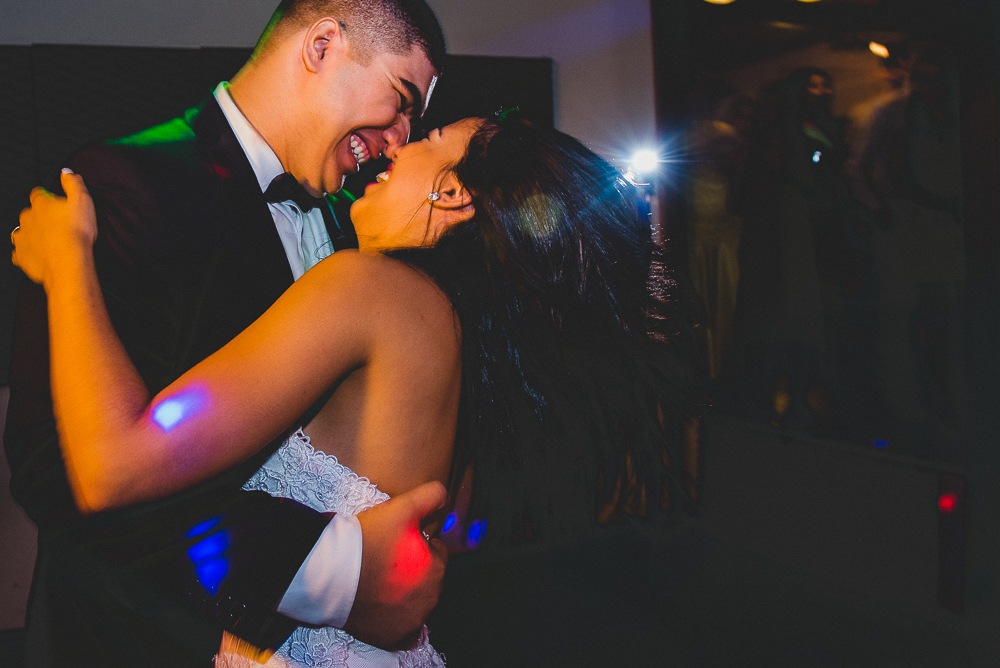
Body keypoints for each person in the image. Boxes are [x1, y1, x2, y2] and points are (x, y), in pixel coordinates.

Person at [12, 114, 701, 666]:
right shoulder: (474, 351)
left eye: (429, 140)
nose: (397, 145)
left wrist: (68, 262)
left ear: (453, 194)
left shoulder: (372, 291)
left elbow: (114, 466)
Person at [4, 1, 447, 665]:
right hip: (141, 641)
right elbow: (57, 464)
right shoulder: (124, 183)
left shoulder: (348, 226)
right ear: (323, 46)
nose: (402, 140)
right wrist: (332, 568)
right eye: (402, 99)